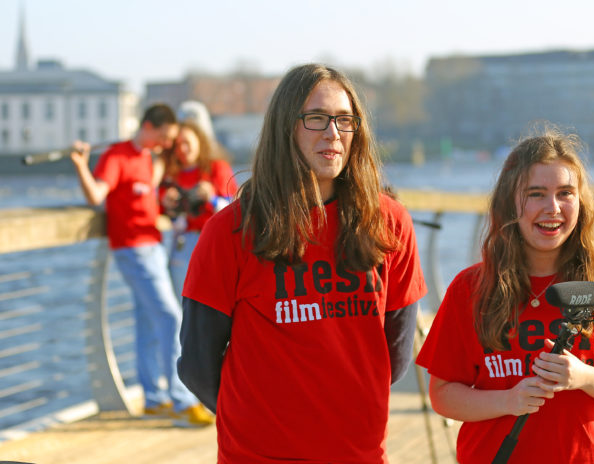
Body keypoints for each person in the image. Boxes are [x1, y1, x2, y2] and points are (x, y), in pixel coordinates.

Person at [177, 63, 427, 463]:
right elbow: (196, 363)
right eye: (316, 119)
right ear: (285, 127)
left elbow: (394, 357)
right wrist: (258, 419)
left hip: (358, 452)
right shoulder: (230, 231)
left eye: (345, 120)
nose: (333, 133)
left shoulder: (390, 222)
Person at [416, 127, 594, 463]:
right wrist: (508, 401)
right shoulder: (471, 288)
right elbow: (443, 395)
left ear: (581, 201)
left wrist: (584, 377)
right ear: (510, 204)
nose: (552, 207)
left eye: (565, 193)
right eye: (536, 193)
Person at [69, 103, 214, 427]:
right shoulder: (116, 157)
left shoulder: (149, 158)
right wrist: (80, 163)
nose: (166, 144)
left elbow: (155, 189)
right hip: (134, 250)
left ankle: (152, 398)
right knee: (170, 318)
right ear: (148, 126)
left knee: (149, 322)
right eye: (163, 137)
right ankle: (181, 401)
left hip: (154, 245)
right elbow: (96, 195)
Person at [159, 119, 238, 298]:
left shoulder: (217, 168)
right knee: (185, 303)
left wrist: (211, 199)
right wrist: (169, 205)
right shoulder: (169, 177)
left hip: (217, 245)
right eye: (177, 145)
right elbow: (172, 220)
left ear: (199, 141)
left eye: (187, 142)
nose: (182, 149)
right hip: (184, 246)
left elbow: (235, 210)